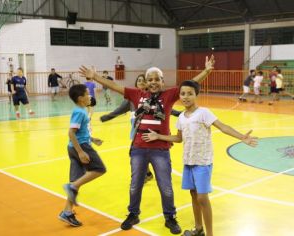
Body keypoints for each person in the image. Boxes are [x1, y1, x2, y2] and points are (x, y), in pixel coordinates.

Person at [79, 55, 215, 234]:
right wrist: (95, 76)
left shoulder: (169, 95)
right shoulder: (137, 94)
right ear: (145, 82)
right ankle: (133, 214)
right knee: (135, 184)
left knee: (165, 186)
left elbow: (190, 84)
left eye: (156, 79)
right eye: (149, 79)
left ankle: (170, 217)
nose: (153, 82)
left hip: (160, 150)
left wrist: (206, 71)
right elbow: (114, 86)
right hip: (139, 149)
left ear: (162, 81)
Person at [142, 80, 258, 236]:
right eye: (183, 94)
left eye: (190, 93)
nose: (186, 97)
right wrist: (158, 136)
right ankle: (198, 228)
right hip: (188, 162)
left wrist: (241, 137)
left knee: (202, 198)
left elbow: (223, 126)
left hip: (202, 162)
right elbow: (178, 138)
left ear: (196, 95)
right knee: (194, 195)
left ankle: (210, 234)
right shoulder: (181, 117)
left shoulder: (204, 113)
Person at [100, 74, 182, 183]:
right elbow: (119, 110)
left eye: (143, 81)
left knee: (158, 152)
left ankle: (154, 172)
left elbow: (169, 110)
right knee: (136, 154)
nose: (141, 83)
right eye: (138, 81)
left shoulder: (155, 99)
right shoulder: (132, 98)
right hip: (137, 132)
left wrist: (181, 113)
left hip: (157, 134)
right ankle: (146, 174)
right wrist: (106, 117)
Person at [59, 84, 106, 227]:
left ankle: (67, 212)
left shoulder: (82, 110)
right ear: (80, 98)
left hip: (73, 147)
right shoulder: (80, 112)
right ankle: (72, 187)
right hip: (80, 147)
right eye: (87, 93)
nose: (90, 96)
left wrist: (92, 139)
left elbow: (80, 131)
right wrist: (81, 151)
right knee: (99, 169)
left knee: (76, 180)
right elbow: (71, 133)